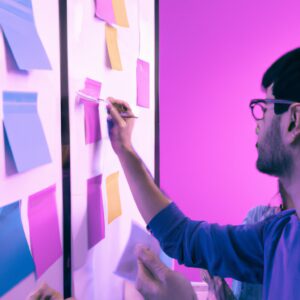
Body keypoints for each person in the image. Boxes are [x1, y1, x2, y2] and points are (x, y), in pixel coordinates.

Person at [107, 48, 300, 300]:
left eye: (265, 108)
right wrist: (124, 149)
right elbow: (183, 236)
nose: (257, 124)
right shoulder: (280, 234)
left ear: (294, 120)